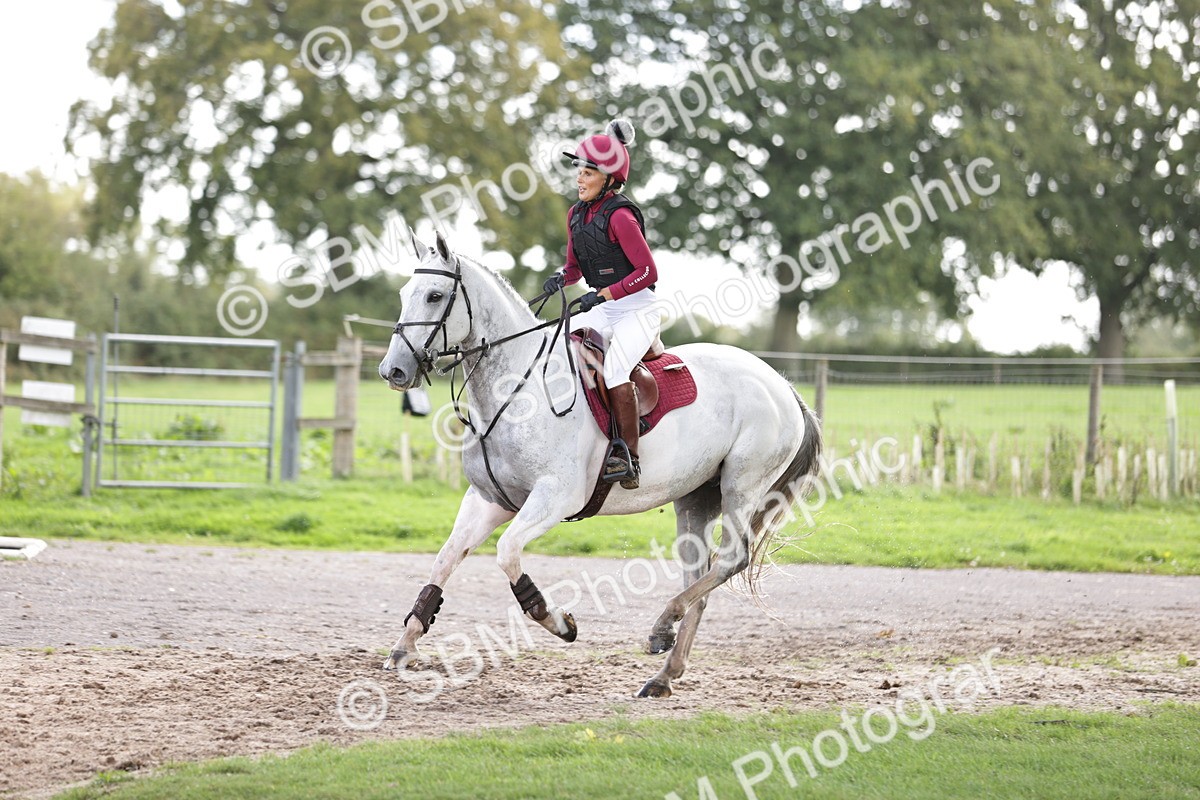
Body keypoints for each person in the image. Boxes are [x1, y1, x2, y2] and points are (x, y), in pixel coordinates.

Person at [543, 119, 660, 490]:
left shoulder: (622, 216)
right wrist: (560, 277)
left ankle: (628, 457)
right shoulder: (575, 215)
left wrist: (605, 294)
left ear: (609, 179)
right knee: (556, 346)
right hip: (604, 306)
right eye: (579, 169)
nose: (580, 178)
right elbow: (576, 268)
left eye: (588, 171)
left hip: (638, 308)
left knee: (614, 371)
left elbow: (648, 271)